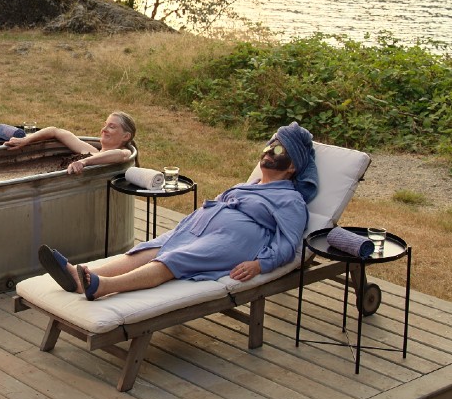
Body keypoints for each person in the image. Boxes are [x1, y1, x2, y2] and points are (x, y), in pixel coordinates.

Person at [38, 122, 318, 301]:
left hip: (234, 243)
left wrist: (260, 265)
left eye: (278, 150)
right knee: (150, 249)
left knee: (175, 259)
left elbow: (288, 244)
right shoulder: (248, 186)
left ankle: (104, 286)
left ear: (292, 166)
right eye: (269, 146)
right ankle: (77, 277)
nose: (268, 153)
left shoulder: (290, 200)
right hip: (200, 228)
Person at [4, 112, 137, 175]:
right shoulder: (90, 151)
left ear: (126, 136)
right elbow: (55, 131)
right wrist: (26, 140)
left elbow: (120, 155)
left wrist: (84, 162)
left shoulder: (124, 153)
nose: (104, 130)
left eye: (112, 127)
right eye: (105, 125)